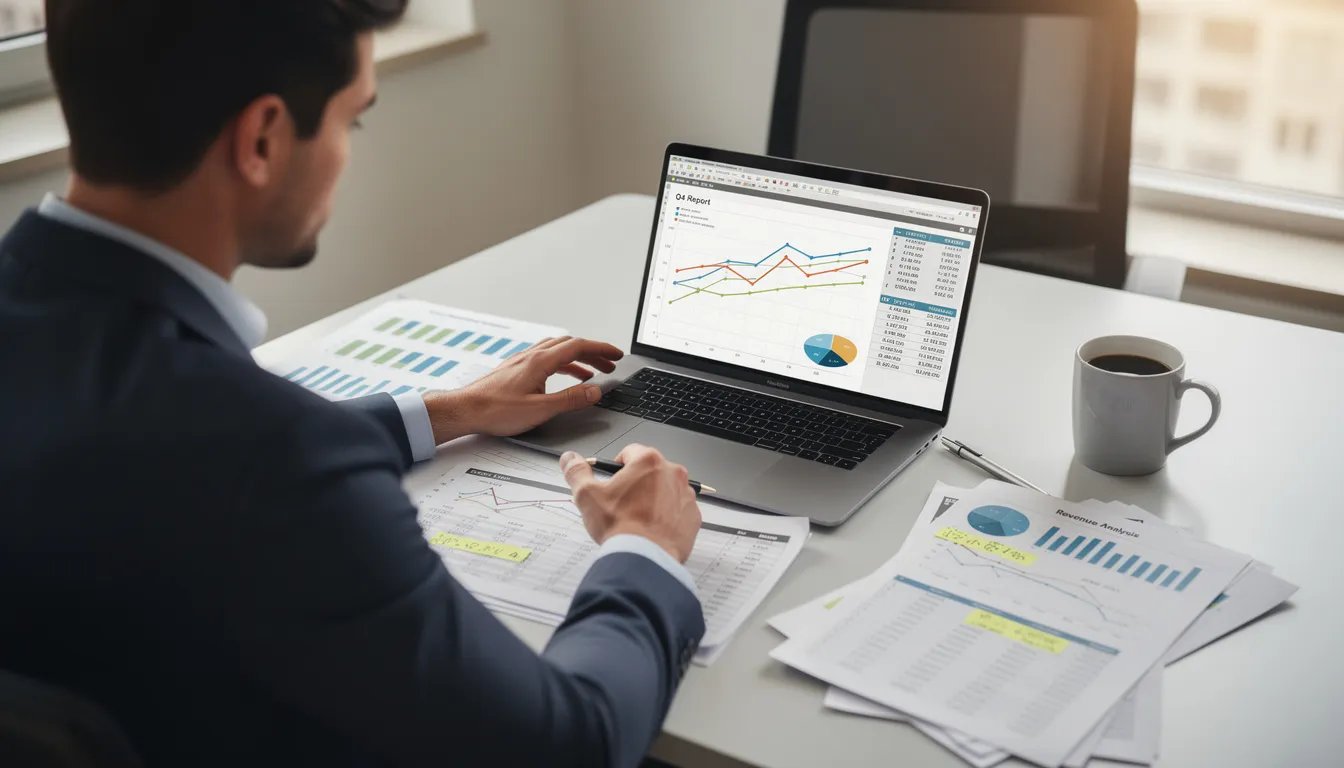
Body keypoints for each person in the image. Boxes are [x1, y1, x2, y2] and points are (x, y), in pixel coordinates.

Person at [0, 1, 706, 766]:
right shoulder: (279, 466)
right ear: (263, 138)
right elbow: (572, 745)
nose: (347, 152)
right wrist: (645, 548)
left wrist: (449, 409)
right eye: (352, 121)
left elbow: (142, 450)